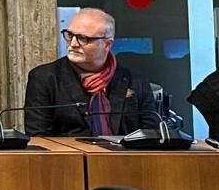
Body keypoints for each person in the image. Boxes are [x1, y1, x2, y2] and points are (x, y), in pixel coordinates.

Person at [23, 7, 158, 136]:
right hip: (68, 152)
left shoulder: (135, 81)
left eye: (83, 38)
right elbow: (38, 137)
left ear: (107, 44)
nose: (73, 44)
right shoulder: (44, 78)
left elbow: (152, 134)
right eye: (70, 35)